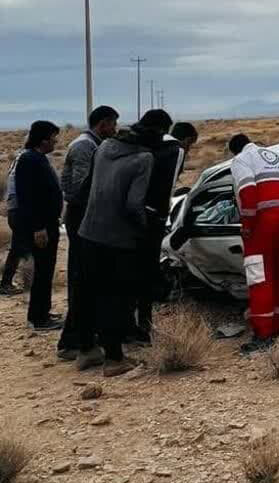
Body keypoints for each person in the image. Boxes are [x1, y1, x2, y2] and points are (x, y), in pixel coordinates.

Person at [79, 118, 161, 376]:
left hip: (88, 232)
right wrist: (145, 227)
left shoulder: (104, 147)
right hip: (117, 239)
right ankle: (114, 360)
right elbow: (133, 204)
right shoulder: (144, 159)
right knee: (116, 298)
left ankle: (86, 351)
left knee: (88, 294)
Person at [228, 134, 279, 354]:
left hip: (263, 221)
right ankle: (277, 325)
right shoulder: (278, 156)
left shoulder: (241, 160)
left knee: (259, 276)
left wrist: (248, 223)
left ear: (235, 150)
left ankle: (263, 335)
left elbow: (248, 190)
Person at [56, 105, 119, 360]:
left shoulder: (89, 144)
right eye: (113, 124)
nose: (114, 129)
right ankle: (73, 342)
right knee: (83, 280)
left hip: (83, 217)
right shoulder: (86, 146)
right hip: (82, 218)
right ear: (103, 123)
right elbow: (83, 188)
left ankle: (78, 338)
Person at [130, 114, 198, 346]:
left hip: (127, 214)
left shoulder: (142, 143)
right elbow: (167, 188)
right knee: (147, 272)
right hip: (151, 217)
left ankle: (129, 325)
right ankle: (144, 328)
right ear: (187, 139)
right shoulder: (174, 150)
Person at [4, 121, 63, 331]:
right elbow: (28, 197)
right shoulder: (30, 160)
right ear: (44, 139)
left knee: (45, 272)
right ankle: (39, 319)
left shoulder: (37, 158)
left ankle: (42, 311)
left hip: (47, 224)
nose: (56, 141)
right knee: (42, 272)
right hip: (41, 227)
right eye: (54, 137)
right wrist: (39, 228)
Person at [0, 149, 28, 296]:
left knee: (18, 247)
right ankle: (6, 283)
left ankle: (7, 282)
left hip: (14, 209)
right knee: (18, 248)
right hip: (19, 211)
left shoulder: (17, 161)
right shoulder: (25, 160)